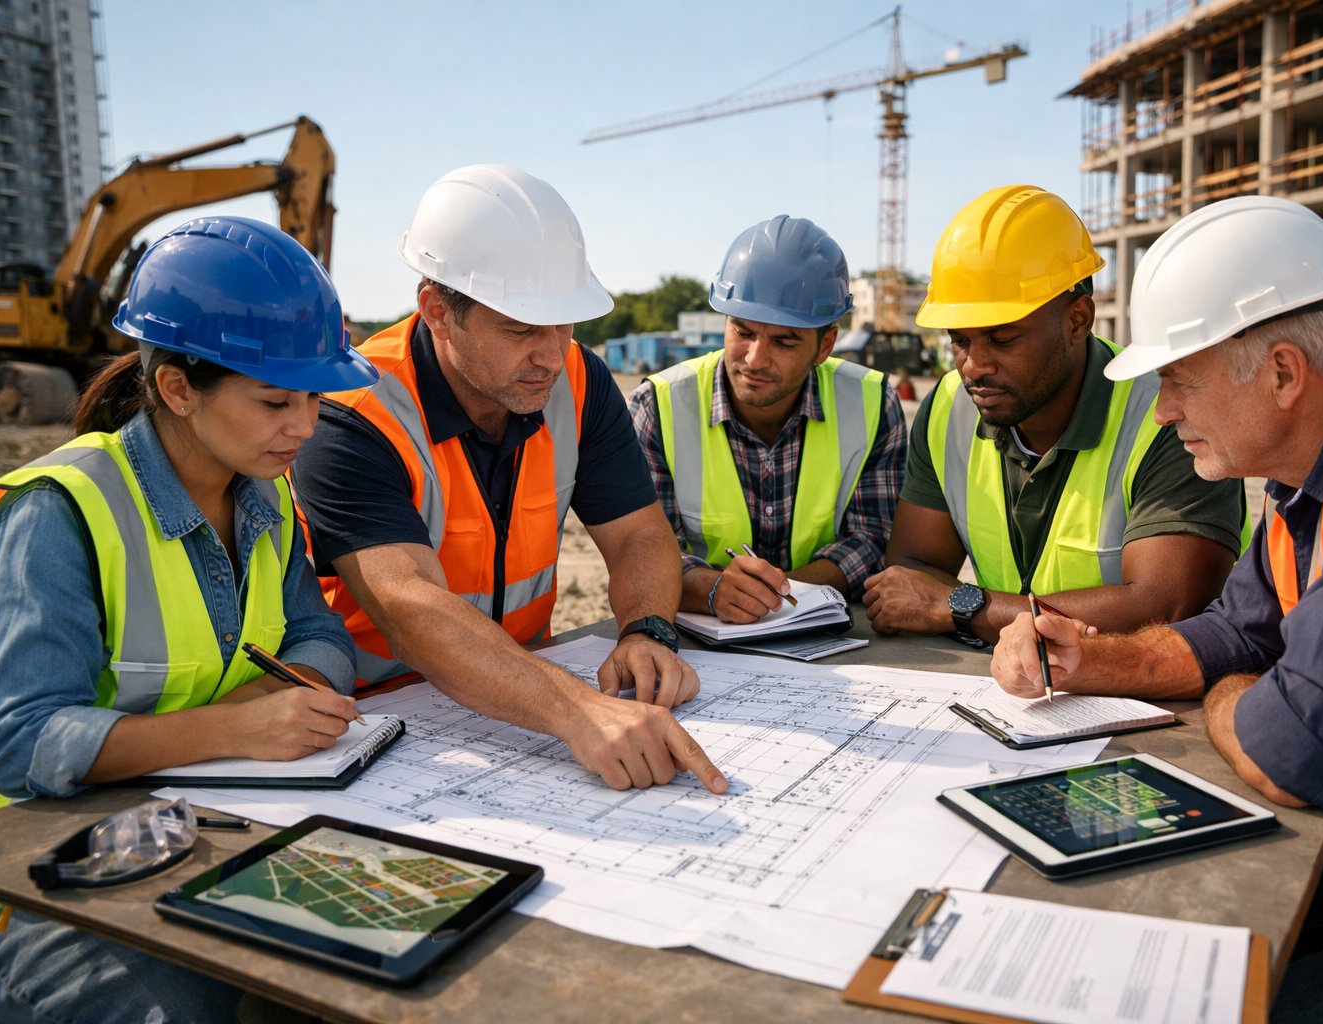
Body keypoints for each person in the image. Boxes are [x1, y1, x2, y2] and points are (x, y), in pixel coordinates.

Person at [990, 195, 1323, 1022]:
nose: (1164, 412)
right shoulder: (1322, 468)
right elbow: (1239, 632)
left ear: (1282, 372)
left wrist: (1231, 695)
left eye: (1177, 380)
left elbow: (1304, 753)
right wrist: (1089, 660)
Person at [0, 215, 374, 1020]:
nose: (305, 426)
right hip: (58, 871)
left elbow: (320, 635)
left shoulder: (267, 496)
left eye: (315, 397)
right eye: (275, 401)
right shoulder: (61, 510)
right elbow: (22, 742)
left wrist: (280, 699)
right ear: (176, 389)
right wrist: (233, 728)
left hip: (209, 829)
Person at [293, 164, 726, 795]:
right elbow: (411, 606)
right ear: (437, 311)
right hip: (374, 725)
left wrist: (647, 630)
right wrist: (580, 711)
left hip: (525, 697)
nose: (551, 355)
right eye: (521, 329)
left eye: (564, 323)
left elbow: (638, 534)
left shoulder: (578, 380)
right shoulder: (355, 413)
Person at [863, 185, 1247, 646]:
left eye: (1002, 339)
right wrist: (964, 609)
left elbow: (1165, 606)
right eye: (960, 340)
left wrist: (962, 607)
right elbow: (912, 575)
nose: (974, 366)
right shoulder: (948, 408)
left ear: (1077, 320)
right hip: (1008, 678)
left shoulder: (1168, 415)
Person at [628, 215, 908, 624]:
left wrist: (776, 595)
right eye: (743, 333)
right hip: (699, 629)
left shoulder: (873, 402)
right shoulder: (657, 406)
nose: (755, 359)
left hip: (827, 629)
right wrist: (712, 589)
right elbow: (645, 548)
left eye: (783, 342)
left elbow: (874, 539)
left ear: (825, 345)